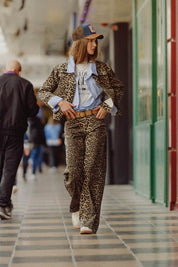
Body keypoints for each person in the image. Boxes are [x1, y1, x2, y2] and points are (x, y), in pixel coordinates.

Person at [38, 24, 124, 234]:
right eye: (91, 40)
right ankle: (76, 205)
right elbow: (43, 91)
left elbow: (118, 88)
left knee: (93, 170)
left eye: (96, 41)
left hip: (95, 122)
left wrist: (107, 105)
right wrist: (60, 102)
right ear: (80, 43)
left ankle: (88, 221)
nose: (95, 44)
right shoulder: (61, 69)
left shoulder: (102, 68)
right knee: (74, 171)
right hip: (72, 122)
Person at [0, 60, 39, 220]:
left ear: (5, 70)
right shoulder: (26, 85)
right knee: (9, 169)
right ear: (20, 71)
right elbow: (33, 111)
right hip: (15, 134)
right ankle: (3, 205)